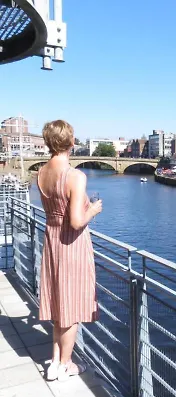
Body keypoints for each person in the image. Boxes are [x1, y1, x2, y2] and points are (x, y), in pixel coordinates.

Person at [37, 120, 102, 382]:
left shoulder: (41, 173)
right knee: (72, 309)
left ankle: (55, 362)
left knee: (58, 306)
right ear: (71, 142)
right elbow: (75, 221)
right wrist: (92, 210)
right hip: (71, 246)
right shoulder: (75, 176)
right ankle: (66, 365)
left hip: (51, 243)